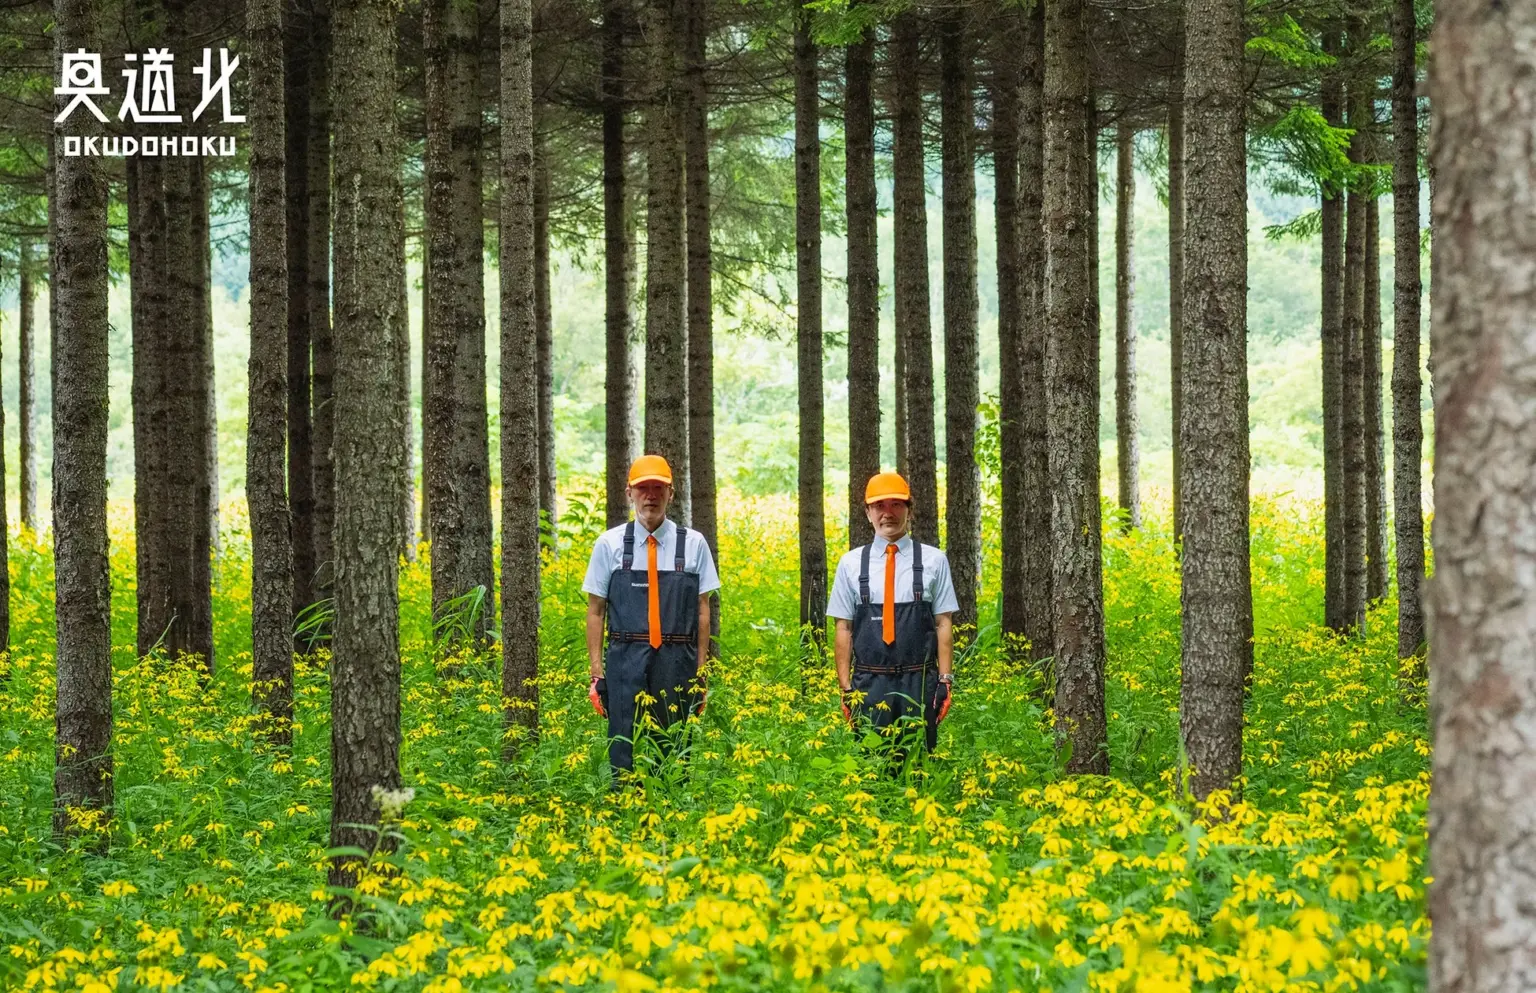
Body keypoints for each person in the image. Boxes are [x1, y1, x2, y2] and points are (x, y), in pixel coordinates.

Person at [583, 455, 719, 778]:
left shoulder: (694, 544)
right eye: (643, 488)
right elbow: (595, 610)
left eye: (659, 488)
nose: (651, 496)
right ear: (629, 493)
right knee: (621, 742)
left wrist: (701, 669)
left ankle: (671, 812)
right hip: (625, 656)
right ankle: (621, 807)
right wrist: (596, 673)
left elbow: (703, 609)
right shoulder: (609, 545)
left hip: (676, 659)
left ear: (671, 493)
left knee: (674, 747)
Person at [827, 471, 957, 763]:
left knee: (919, 765)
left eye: (897, 504)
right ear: (868, 512)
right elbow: (843, 627)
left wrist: (945, 680)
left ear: (909, 509)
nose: (888, 513)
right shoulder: (850, 564)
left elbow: (943, 622)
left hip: (920, 681)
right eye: (879, 505)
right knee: (872, 767)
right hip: (869, 684)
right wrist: (846, 687)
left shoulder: (935, 560)